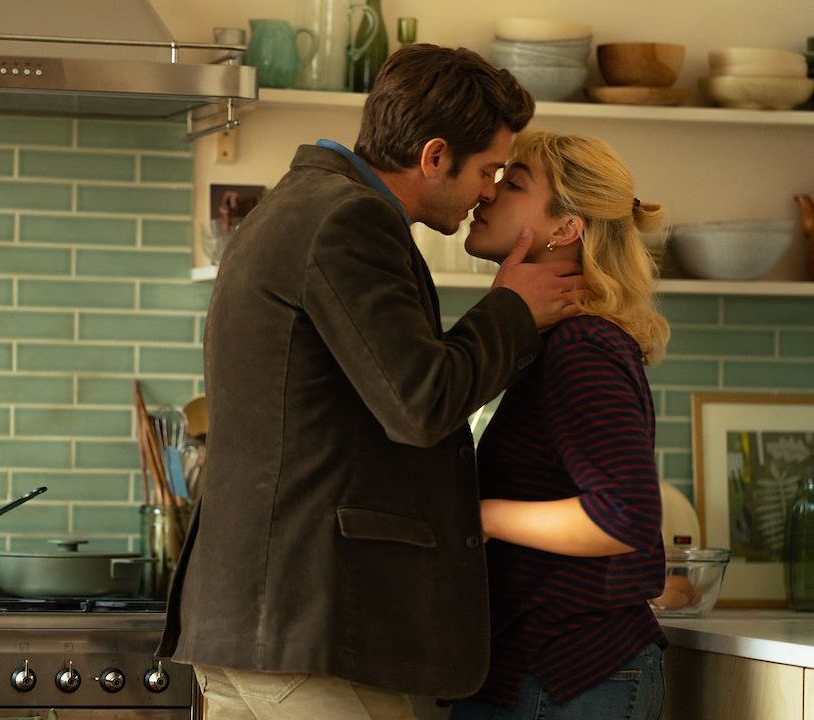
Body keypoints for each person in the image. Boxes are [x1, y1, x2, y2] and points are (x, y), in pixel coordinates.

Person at [157, 45, 587, 719]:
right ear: (435, 156)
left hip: (254, 623)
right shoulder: (348, 219)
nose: (488, 191)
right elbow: (420, 403)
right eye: (488, 170)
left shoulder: (297, 204)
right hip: (307, 626)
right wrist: (511, 308)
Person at [451, 130, 671, 720]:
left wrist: (481, 517)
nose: (487, 193)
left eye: (514, 184)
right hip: (542, 674)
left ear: (566, 228)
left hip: (569, 678)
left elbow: (622, 514)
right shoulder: (551, 343)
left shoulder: (582, 347)